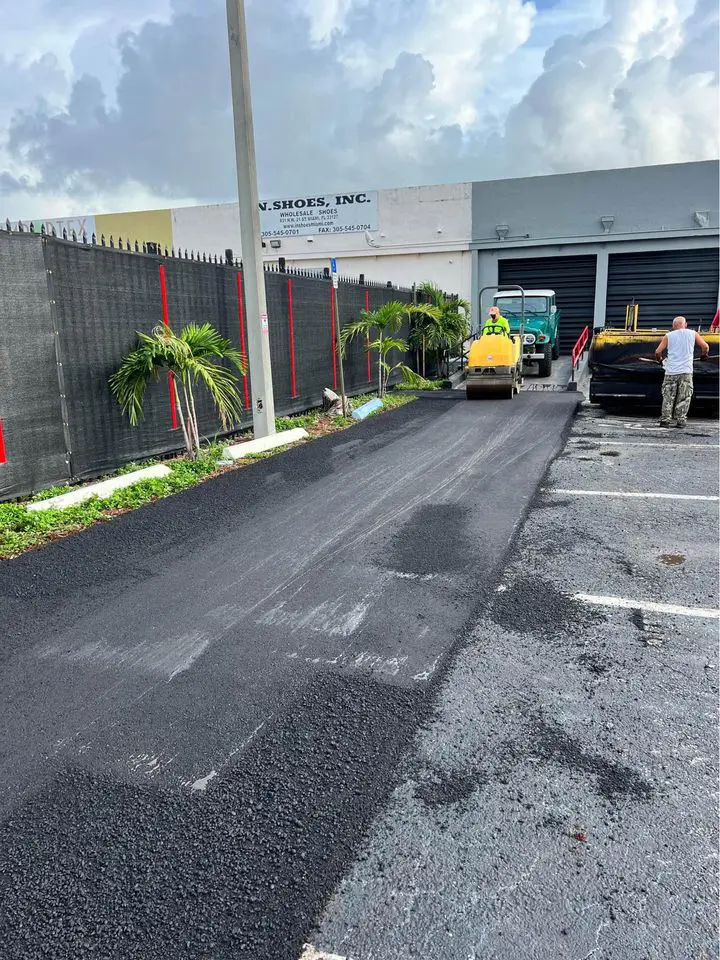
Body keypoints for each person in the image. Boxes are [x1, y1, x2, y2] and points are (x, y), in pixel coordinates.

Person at [655, 316, 709, 428]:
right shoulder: (693, 334)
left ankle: (665, 420)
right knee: (684, 397)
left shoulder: (668, 336)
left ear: (673, 326)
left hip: (670, 372)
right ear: (686, 324)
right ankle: (680, 421)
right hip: (686, 372)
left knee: (668, 397)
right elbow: (705, 346)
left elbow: (657, 352)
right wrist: (704, 355)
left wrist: (660, 360)